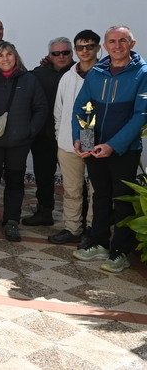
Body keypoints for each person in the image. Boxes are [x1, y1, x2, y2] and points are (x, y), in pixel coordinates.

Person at [72, 26, 147, 273]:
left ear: (132, 43)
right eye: (112, 41)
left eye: (123, 40)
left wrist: (113, 145)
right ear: (105, 46)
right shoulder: (96, 72)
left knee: (122, 200)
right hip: (94, 148)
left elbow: (140, 116)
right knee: (101, 196)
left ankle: (120, 252)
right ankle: (99, 243)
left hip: (123, 151)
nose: (117, 45)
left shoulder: (142, 73)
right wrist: (81, 140)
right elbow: (82, 107)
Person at [0, 41, 47, 242]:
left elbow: (41, 107)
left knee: (15, 183)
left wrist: (30, 130)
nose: (5, 59)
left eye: (9, 54)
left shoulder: (29, 80)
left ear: (16, 56)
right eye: (0, 55)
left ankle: (11, 221)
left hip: (19, 142)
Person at [49, 30, 100, 245]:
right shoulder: (67, 77)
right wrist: (61, 137)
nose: (85, 51)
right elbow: (59, 110)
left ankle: (93, 229)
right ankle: (72, 227)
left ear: (99, 47)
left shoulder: (105, 74)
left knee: (97, 190)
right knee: (71, 190)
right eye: (80, 47)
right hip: (69, 143)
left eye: (89, 46)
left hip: (98, 143)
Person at [22, 37, 75, 227]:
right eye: (56, 53)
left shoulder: (81, 74)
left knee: (74, 182)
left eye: (65, 52)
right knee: (44, 177)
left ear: (72, 53)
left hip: (71, 137)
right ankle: (44, 212)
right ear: (49, 55)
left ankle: (78, 220)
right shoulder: (39, 74)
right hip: (44, 136)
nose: (61, 56)